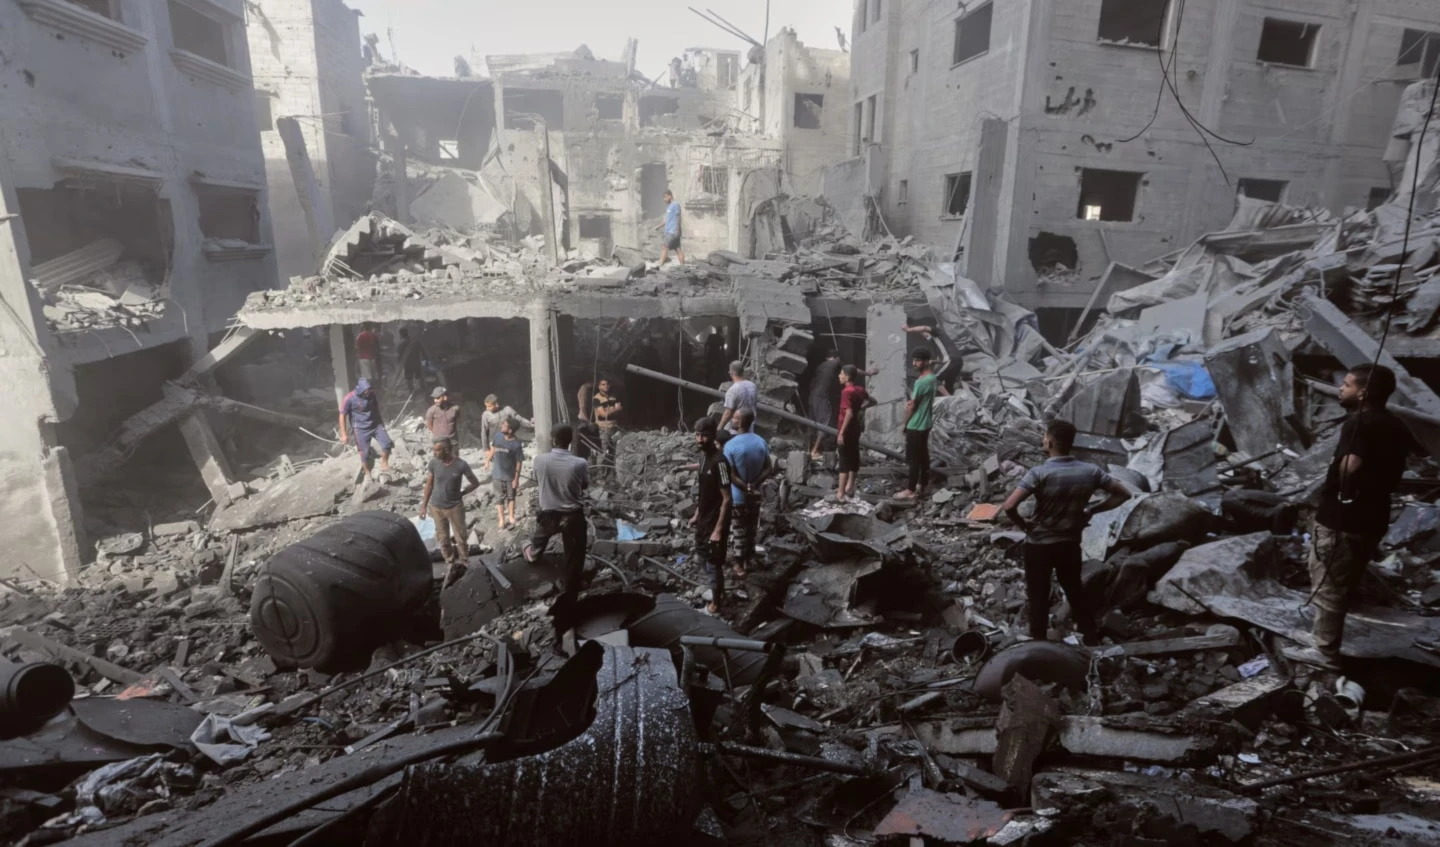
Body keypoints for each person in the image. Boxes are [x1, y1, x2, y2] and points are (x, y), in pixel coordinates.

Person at [1307, 364, 1413, 668]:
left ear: (1363, 392)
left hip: (1343, 518)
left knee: (1328, 584)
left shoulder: (1358, 425)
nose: (1341, 388)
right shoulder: (1396, 425)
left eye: (1348, 384)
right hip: (1374, 517)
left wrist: (1342, 493)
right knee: (1346, 581)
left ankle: (1324, 653)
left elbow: (1349, 467)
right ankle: (1326, 640)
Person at [1000, 419, 1132, 643]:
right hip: (1069, 543)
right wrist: (1092, 509)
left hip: (1039, 545)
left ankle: (1039, 642)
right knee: (1074, 589)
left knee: (1038, 595)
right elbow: (1123, 494)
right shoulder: (1090, 471)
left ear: (1050, 441)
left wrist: (1024, 525)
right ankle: (1090, 635)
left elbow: (1009, 506)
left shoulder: (1038, 473)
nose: (1043, 440)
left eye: (1044, 436)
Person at [524, 424, 591, 617]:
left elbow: (537, 479)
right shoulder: (580, 463)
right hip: (573, 517)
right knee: (574, 557)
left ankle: (534, 553)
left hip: (549, 516)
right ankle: (571, 594)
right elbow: (584, 485)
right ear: (571, 441)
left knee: (538, 540)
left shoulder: (540, 460)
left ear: (553, 440)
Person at [420, 438, 481, 583]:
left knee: (461, 537)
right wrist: (423, 505)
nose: (434, 452)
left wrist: (463, 492)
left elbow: (475, 482)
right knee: (443, 538)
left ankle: (465, 563)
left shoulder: (461, 465)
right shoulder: (434, 463)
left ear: (446, 450)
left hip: (455, 507)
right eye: (433, 449)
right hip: (436, 507)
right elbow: (429, 485)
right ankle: (450, 562)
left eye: (437, 450)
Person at [691, 417, 733, 614]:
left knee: (713, 563)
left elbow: (727, 498)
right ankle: (719, 593)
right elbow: (702, 493)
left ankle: (716, 605)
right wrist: (697, 514)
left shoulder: (721, 462)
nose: (700, 440)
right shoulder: (703, 460)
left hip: (715, 522)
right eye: (698, 435)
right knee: (704, 558)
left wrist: (718, 530)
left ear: (713, 436)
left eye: (704, 436)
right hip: (703, 519)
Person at [723, 409, 772, 579]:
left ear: (741, 423)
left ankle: (738, 564)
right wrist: (755, 486)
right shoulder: (760, 441)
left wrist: (745, 488)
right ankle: (748, 561)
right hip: (756, 496)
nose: (732, 420)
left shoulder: (730, 445)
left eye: (735, 418)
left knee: (738, 531)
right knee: (751, 529)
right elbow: (768, 467)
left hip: (738, 497)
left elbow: (731, 474)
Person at [895, 348, 939, 501]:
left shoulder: (921, 382)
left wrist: (904, 424)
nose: (914, 363)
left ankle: (910, 490)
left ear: (926, 361)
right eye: (913, 360)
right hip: (926, 423)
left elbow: (912, 406)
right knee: (923, 456)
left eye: (918, 360)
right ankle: (923, 485)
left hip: (915, 424)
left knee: (913, 459)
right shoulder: (932, 378)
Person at [836, 364, 876, 503]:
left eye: (841, 373)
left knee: (843, 460)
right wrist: (860, 408)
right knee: (854, 456)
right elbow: (873, 401)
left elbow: (848, 412)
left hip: (846, 429)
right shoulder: (859, 390)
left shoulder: (846, 392)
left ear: (847, 377)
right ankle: (850, 487)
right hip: (855, 429)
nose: (839, 376)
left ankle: (840, 493)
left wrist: (841, 433)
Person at [338, 378, 392, 478]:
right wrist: (344, 434)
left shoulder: (372, 395)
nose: (368, 392)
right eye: (366, 391)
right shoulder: (349, 398)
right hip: (360, 429)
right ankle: (367, 473)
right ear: (360, 389)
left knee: (387, 443)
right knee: (364, 453)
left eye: (369, 390)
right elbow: (342, 415)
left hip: (375, 425)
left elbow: (376, 409)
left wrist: (381, 424)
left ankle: (384, 463)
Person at [490, 417, 525, 530]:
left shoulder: (516, 444)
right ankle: (501, 520)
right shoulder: (498, 436)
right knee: (499, 499)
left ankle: (511, 517)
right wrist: (487, 460)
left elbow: (519, 463)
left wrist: (516, 479)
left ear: (510, 430)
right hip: (497, 475)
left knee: (511, 497)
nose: (501, 426)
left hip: (510, 476)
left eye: (504, 425)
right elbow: (493, 448)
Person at [808, 348, 843, 461]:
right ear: (837, 358)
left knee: (812, 424)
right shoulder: (834, 363)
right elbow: (851, 370)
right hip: (822, 397)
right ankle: (814, 451)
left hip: (813, 396)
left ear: (826, 357)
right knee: (824, 424)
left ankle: (809, 450)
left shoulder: (820, 366)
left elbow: (812, 382)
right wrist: (868, 373)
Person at [481, 395, 532, 471]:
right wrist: (486, 449)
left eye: (489, 406)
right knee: (499, 464)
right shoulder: (486, 415)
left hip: (509, 440)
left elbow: (519, 419)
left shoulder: (507, 410)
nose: (487, 408)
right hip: (495, 443)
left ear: (496, 404)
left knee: (511, 462)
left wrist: (531, 424)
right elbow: (484, 432)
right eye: (486, 406)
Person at [591, 378, 622, 477]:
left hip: (614, 428)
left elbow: (620, 408)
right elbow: (603, 414)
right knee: (603, 452)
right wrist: (614, 409)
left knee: (614, 451)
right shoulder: (596, 399)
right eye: (603, 384)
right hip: (603, 429)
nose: (606, 386)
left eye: (607, 384)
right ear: (599, 386)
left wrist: (615, 409)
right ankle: (600, 475)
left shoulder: (612, 397)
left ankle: (612, 473)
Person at [718, 360, 758, 436]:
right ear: (743, 371)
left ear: (731, 372)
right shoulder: (753, 386)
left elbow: (728, 413)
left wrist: (720, 428)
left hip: (735, 431)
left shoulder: (732, 390)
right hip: (750, 428)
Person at [656, 189, 684, 265]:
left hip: (672, 231)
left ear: (670, 196)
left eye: (665, 197)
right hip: (670, 231)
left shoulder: (676, 205)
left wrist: (677, 230)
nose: (664, 199)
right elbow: (666, 220)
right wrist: (658, 226)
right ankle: (683, 266)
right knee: (678, 249)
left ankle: (660, 265)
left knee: (665, 247)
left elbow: (678, 217)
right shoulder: (669, 207)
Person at [397, 327, 428, 393]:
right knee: (419, 377)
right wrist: (426, 360)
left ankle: (412, 393)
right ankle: (423, 391)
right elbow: (423, 351)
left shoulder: (400, 344)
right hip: (416, 363)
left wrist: (399, 365)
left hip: (407, 365)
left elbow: (399, 356)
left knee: (409, 379)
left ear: (400, 334)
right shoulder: (415, 342)